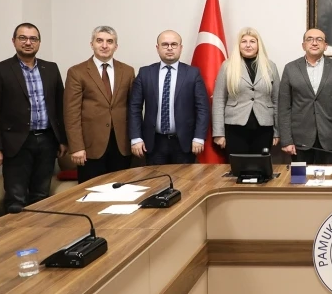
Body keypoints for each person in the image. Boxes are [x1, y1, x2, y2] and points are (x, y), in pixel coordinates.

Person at [0, 23, 67, 212]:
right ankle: (15, 231)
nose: (28, 42)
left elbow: (60, 106)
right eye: (23, 38)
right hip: (16, 143)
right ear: (14, 41)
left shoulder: (51, 68)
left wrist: (62, 139)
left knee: (41, 197)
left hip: (47, 140)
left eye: (33, 39)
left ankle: (38, 230)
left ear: (39, 43)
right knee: (16, 199)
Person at [64, 26, 135, 183]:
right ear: (92, 44)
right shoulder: (77, 72)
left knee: (121, 191)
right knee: (92, 191)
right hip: (90, 147)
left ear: (116, 46)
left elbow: (133, 109)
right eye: (99, 41)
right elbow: (71, 113)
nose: (104, 45)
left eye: (109, 41)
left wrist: (135, 139)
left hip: (121, 145)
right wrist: (76, 147)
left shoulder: (128, 71)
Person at [128, 30, 209, 165]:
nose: (170, 48)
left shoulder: (193, 73)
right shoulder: (145, 73)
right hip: (154, 142)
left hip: (185, 142)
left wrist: (199, 137)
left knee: (184, 178)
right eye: (165, 44)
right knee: (156, 178)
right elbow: (134, 108)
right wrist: (136, 138)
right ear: (157, 48)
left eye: (174, 44)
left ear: (180, 48)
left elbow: (202, 108)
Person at [212, 27, 280, 155]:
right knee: (238, 165)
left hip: (264, 129)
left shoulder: (270, 66)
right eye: (244, 41)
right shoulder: (227, 66)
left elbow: (276, 100)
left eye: (252, 41)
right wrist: (219, 133)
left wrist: (277, 132)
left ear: (258, 45)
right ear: (239, 45)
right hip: (235, 128)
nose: (248, 45)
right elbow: (219, 100)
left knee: (261, 165)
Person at [278, 28, 332, 164]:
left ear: (325, 46)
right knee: (301, 177)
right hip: (300, 139)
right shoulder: (290, 68)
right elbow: (284, 108)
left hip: (330, 137)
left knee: (330, 176)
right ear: (303, 45)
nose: (314, 43)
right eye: (310, 39)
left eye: (319, 39)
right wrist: (286, 140)